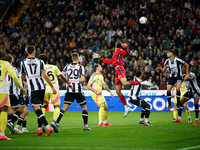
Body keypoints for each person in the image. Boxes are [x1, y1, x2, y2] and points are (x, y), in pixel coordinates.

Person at [20, 45, 57, 136]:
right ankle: (39, 129)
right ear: (34, 51)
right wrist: (52, 86)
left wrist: (25, 84)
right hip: (41, 86)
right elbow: (44, 75)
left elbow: (23, 77)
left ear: (27, 52)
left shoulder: (23, 63)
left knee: (36, 109)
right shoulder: (40, 61)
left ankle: (48, 127)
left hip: (33, 88)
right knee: (39, 108)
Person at [99, 43, 141, 118]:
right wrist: (101, 58)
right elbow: (109, 62)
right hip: (117, 71)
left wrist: (125, 48)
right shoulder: (115, 54)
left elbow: (126, 53)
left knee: (124, 83)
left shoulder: (118, 50)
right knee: (118, 92)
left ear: (115, 47)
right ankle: (126, 107)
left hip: (119, 68)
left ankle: (140, 82)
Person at [54, 52, 91, 131]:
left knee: (64, 108)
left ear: (72, 58)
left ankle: (56, 122)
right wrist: (80, 80)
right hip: (78, 90)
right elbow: (83, 79)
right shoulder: (80, 67)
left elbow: (61, 75)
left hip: (69, 90)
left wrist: (67, 81)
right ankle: (85, 126)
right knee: (84, 107)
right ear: (78, 59)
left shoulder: (67, 66)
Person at [38, 54, 72, 132]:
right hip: (54, 89)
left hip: (44, 90)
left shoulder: (39, 69)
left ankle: (43, 123)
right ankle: (54, 122)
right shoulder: (54, 67)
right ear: (47, 60)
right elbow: (61, 76)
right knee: (56, 107)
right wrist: (68, 83)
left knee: (43, 107)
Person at [0, 51, 26, 140]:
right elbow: (15, 78)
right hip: (5, 91)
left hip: (7, 91)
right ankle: (4, 131)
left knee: (9, 109)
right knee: (7, 110)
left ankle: (9, 126)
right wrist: (21, 88)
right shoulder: (7, 65)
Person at [4, 54, 24, 134]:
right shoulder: (13, 69)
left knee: (10, 109)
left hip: (4, 92)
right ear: (11, 60)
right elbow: (16, 80)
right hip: (12, 92)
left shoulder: (2, 68)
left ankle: (11, 128)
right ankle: (11, 123)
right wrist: (21, 89)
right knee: (20, 109)